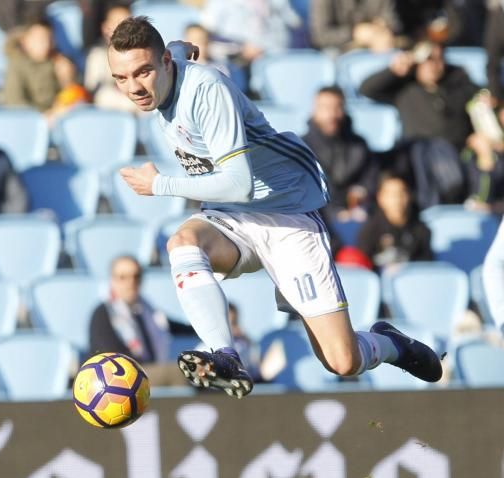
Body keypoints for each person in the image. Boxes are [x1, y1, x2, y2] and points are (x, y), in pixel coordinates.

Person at [110, 16, 443, 398]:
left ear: (164, 63)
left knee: (341, 361)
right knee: (182, 241)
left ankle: (390, 343)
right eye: (121, 78)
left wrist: (160, 185)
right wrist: (184, 47)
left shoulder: (206, 91)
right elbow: (174, 54)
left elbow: (239, 182)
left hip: (287, 214)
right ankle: (225, 355)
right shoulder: (167, 74)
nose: (133, 87)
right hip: (234, 214)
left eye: (142, 72)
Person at [359, 40, 478, 208]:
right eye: (429, 58)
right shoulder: (405, 89)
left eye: (439, 58)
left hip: (455, 155)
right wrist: (395, 70)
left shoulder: (458, 86)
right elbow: (367, 89)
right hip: (417, 158)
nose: (434, 65)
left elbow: (481, 99)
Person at [88, 255, 185, 386]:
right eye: (123, 277)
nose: (131, 282)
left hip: (144, 372)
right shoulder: (103, 313)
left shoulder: (146, 310)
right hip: (117, 380)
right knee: (177, 373)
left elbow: (171, 326)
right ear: (112, 280)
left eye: (136, 276)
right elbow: (112, 357)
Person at [301, 86, 377, 230]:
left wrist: (360, 199)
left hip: (359, 218)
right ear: (314, 110)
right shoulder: (302, 147)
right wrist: (335, 212)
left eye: (337, 107)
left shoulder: (359, 145)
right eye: (325, 108)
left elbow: (370, 180)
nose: (332, 114)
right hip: (317, 221)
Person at [1, 19, 80, 119]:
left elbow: (74, 97)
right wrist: (42, 117)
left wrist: (67, 79)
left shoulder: (60, 61)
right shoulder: (16, 64)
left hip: (58, 117)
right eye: (39, 39)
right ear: (25, 41)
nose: (45, 43)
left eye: (49, 38)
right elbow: (15, 101)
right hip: (30, 119)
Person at [355, 173, 433, 270]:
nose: (397, 200)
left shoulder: (422, 231)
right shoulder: (369, 232)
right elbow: (362, 267)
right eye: (391, 195)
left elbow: (426, 267)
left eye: (402, 194)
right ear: (380, 197)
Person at [83, 4, 140, 113]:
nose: (124, 29)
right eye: (118, 23)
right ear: (105, 28)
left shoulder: (142, 53)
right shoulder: (97, 55)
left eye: (128, 23)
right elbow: (93, 90)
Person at [309, 0, 400, 53]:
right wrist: (353, 33)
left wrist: (379, 30)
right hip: (340, 51)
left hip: (379, 47)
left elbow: (393, 23)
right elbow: (319, 36)